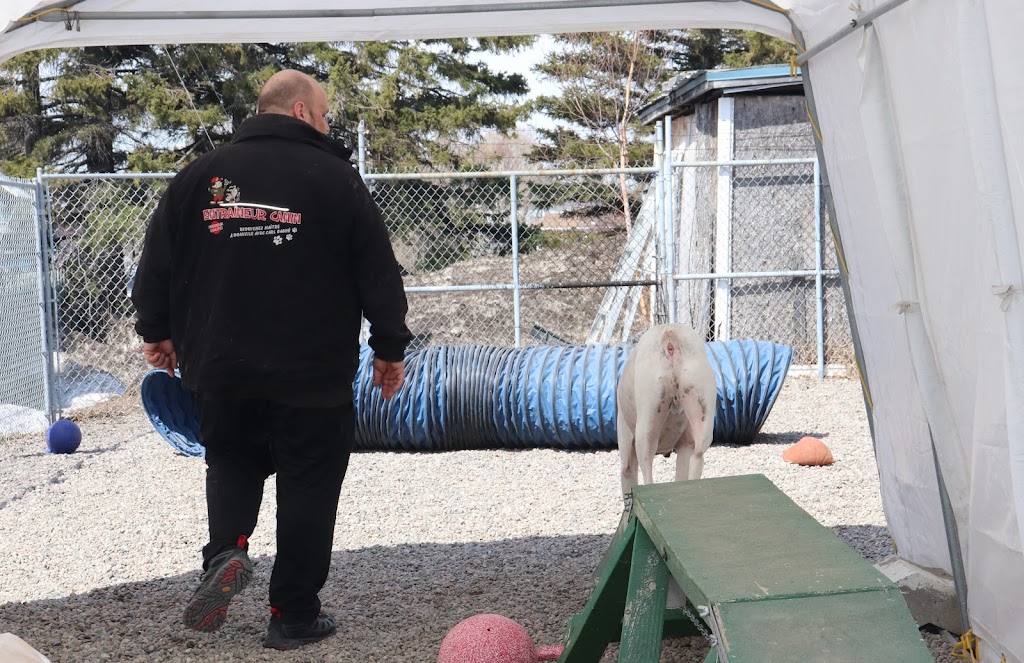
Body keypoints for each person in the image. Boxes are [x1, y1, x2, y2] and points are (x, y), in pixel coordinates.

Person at [131, 69, 412, 651]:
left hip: (221, 368)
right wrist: (389, 349)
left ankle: (226, 553)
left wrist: (156, 332)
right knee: (309, 482)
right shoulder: (337, 180)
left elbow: (154, 263)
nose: (329, 124)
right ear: (304, 112)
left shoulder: (196, 178)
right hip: (310, 372)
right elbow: (379, 275)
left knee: (231, 461)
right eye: (327, 114)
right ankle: (293, 615)